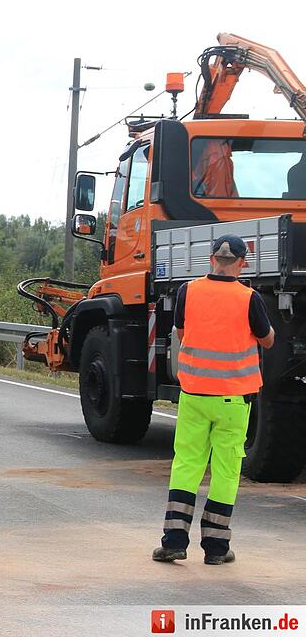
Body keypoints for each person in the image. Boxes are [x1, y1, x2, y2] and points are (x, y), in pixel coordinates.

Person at [153, 235, 274, 566]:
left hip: (194, 395)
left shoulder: (188, 291)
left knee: (186, 465)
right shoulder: (249, 298)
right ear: (242, 263)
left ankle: (174, 542)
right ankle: (216, 548)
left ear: (211, 259)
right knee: (225, 470)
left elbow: (181, 332)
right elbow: (266, 340)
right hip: (233, 400)